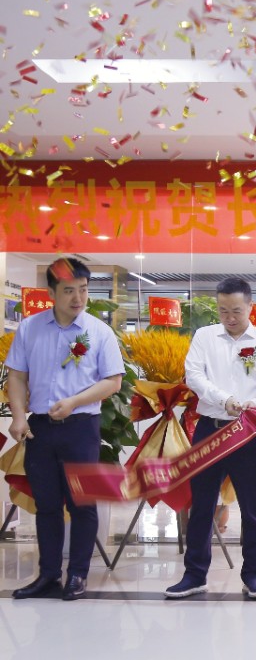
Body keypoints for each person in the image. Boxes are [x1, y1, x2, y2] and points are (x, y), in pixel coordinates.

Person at [7, 257, 125, 601]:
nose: (78, 298)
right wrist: (18, 416)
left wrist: (74, 402)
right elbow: (17, 375)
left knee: (82, 504)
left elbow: (113, 381)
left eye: (83, 290)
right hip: (40, 429)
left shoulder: (99, 332)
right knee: (46, 505)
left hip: (81, 428)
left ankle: (77, 575)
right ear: (51, 293)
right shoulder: (30, 328)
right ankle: (48, 575)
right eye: (69, 291)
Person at [165, 277, 256, 599]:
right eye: (223, 310)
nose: (229, 317)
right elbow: (194, 375)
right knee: (202, 504)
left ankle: (253, 575)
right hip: (210, 430)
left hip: (247, 433)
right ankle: (194, 575)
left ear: (251, 307)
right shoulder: (205, 336)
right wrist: (224, 399)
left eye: (236, 311)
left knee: (252, 506)